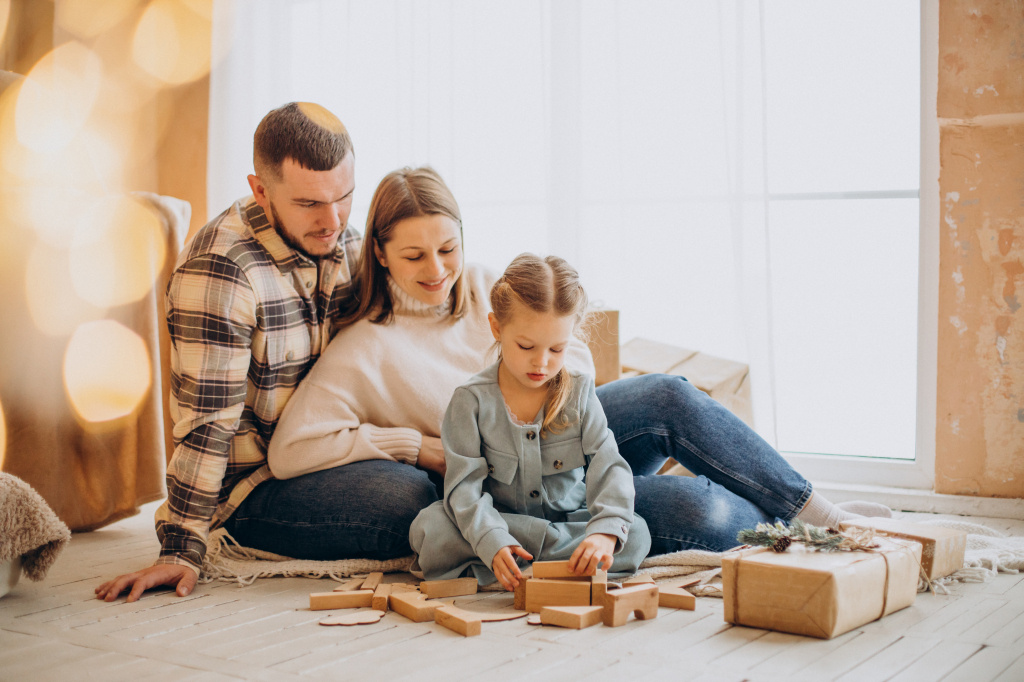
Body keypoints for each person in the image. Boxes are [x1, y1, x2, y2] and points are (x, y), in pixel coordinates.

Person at [266, 166, 889, 571]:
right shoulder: (367, 347)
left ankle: (825, 517)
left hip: (568, 442)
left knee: (668, 394)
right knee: (704, 517)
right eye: (414, 255)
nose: (437, 269)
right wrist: (415, 445)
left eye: (448, 248)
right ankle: (778, 521)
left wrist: (550, 393)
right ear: (379, 251)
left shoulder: (489, 285)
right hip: (513, 487)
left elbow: (572, 349)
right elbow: (291, 450)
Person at [95, 102, 362, 602]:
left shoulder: (338, 235)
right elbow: (206, 422)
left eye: (344, 197)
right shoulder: (223, 269)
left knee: (458, 471)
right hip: (251, 490)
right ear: (261, 190)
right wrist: (179, 550)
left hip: (325, 454)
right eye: (309, 204)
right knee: (411, 498)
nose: (334, 221)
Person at [409, 254, 651, 590]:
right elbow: (463, 489)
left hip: (568, 524)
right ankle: (536, 565)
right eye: (526, 346)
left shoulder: (579, 393)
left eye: (557, 349)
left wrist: (605, 532)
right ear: (497, 328)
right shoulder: (470, 401)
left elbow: (609, 466)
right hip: (502, 525)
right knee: (431, 527)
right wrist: (492, 541)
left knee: (634, 532)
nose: (541, 362)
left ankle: (517, 572)